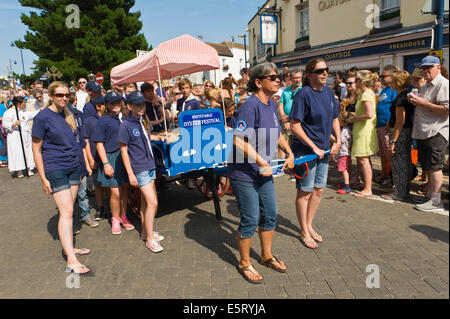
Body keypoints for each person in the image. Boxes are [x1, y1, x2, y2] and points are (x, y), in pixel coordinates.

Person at [228, 62, 294, 284]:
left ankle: (266, 256)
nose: (278, 80)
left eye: (279, 77)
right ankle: (244, 262)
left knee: (270, 214)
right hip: (244, 172)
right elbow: (238, 140)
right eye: (273, 77)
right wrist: (260, 161)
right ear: (258, 82)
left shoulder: (271, 105)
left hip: (262, 171)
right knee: (250, 218)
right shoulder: (250, 105)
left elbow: (276, 133)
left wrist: (289, 152)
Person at [32, 81, 91, 275]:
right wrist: (43, 178)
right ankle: (71, 259)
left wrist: (83, 166)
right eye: (59, 95)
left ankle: (70, 247)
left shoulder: (69, 114)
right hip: (55, 168)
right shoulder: (42, 117)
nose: (64, 98)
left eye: (66, 95)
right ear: (51, 96)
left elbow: (76, 142)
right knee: (66, 211)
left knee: (69, 209)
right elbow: (36, 149)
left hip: (73, 167)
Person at [290, 58, 341, 249]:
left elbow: (335, 118)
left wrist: (338, 139)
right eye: (320, 71)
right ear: (309, 75)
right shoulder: (303, 94)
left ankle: (309, 225)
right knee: (305, 191)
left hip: (324, 150)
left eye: (326, 70)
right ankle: (303, 230)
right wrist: (313, 147)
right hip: (306, 152)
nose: (325, 73)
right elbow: (295, 125)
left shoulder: (329, 92)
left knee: (319, 189)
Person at [119, 91, 167, 253]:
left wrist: (158, 137)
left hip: (149, 165)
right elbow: (124, 151)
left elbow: (145, 139)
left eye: (143, 104)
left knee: (147, 203)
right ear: (129, 106)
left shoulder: (142, 121)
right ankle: (149, 240)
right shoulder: (125, 125)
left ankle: (146, 232)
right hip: (139, 169)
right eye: (137, 104)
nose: (141, 107)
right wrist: (131, 173)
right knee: (153, 202)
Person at [410, 56, 449, 212]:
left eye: (428, 68)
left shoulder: (444, 84)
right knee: (428, 166)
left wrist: (422, 103)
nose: (424, 71)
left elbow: (446, 109)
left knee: (435, 167)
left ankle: (436, 202)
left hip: (437, 130)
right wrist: (416, 100)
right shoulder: (426, 85)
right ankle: (431, 196)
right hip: (424, 131)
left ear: (438, 67)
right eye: (423, 68)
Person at [94, 91, 132, 234]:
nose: (116, 105)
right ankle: (115, 219)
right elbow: (99, 143)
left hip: (124, 156)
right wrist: (105, 163)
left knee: (124, 189)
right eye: (112, 102)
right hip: (110, 157)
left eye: (118, 102)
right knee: (115, 192)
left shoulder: (124, 117)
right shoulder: (103, 120)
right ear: (107, 105)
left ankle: (124, 216)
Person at [380, 70, 415, 201]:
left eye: (394, 80)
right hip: (403, 131)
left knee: (399, 162)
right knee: (403, 161)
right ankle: (403, 191)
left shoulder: (401, 97)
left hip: (400, 132)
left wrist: (393, 140)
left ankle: (399, 193)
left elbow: (401, 121)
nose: (391, 83)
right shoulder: (404, 95)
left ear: (398, 82)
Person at [67, 94, 98, 228]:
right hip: (68, 165)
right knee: (69, 197)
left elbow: (84, 145)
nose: (74, 118)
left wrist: (87, 163)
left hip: (80, 163)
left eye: (75, 116)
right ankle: (71, 221)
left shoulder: (78, 129)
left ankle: (85, 215)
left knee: (83, 192)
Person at [347, 70, 379, 198]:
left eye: (357, 80)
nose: (355, 83)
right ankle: (367, 185)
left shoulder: (366, 95)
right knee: (365, 160)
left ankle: (368, 188)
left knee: (364, 160)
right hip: (363, 129)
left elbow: (369, 114)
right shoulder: (367, 93)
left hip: (363, 131)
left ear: (362, 82)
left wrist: (354, 118)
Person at [2, 96, 41, 178]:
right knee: (17, 152)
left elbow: (33, 114)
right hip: (15, 135)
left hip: (26, 135)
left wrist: (41, 110)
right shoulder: (9, 112)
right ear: (19, 104)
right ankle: (19, 170)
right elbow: (5, 123)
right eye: (24, 102)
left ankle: (29, 168)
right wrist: (13, 124)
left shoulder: (24, 112)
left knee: (28, 151)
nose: (25, 104)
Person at [376, 65, 399, 186]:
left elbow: (396, 109)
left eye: (384, 76)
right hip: (379, 126)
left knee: (389, 154)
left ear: (392, 76)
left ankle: (392, 178)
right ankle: (384, 174)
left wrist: (389, 123)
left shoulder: (395, 90)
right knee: (383, 154)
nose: (381, 79)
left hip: (387, 127)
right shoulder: (384, 90)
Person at [85, 94, 106, 221]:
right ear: (98, 106)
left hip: (109, 156)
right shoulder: (89, 121)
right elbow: (86, 140)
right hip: (95, 156)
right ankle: (100, 207)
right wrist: (90, 159)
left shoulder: (111, 118)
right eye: (104, 104)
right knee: (98, 184)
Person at [278, 69, 302, 160]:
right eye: (296, 78)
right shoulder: (286, 91)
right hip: (286, 123)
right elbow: (281, 106)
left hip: (299, 123)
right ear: (291, 79)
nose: (298, 80)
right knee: (282, 146)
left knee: (297, 148)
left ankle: (296, 168)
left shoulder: (304, 90)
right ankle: (281, 168)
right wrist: (285, 120)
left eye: (300, 78)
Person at [336, 109, 353, 194]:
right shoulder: (347, 129)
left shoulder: (344, 130)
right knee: (346, 169)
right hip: (347, 153)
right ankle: (345, 183)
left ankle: (347, 187)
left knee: (344, 170)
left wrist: (334, 141)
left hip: (343, 153)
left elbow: (341, 141)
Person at [0, 95, 9, 167]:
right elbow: (1, 117)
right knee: (5, 142)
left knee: (2, 142)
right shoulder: (1, 106)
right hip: (2, 127)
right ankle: (3, 159)